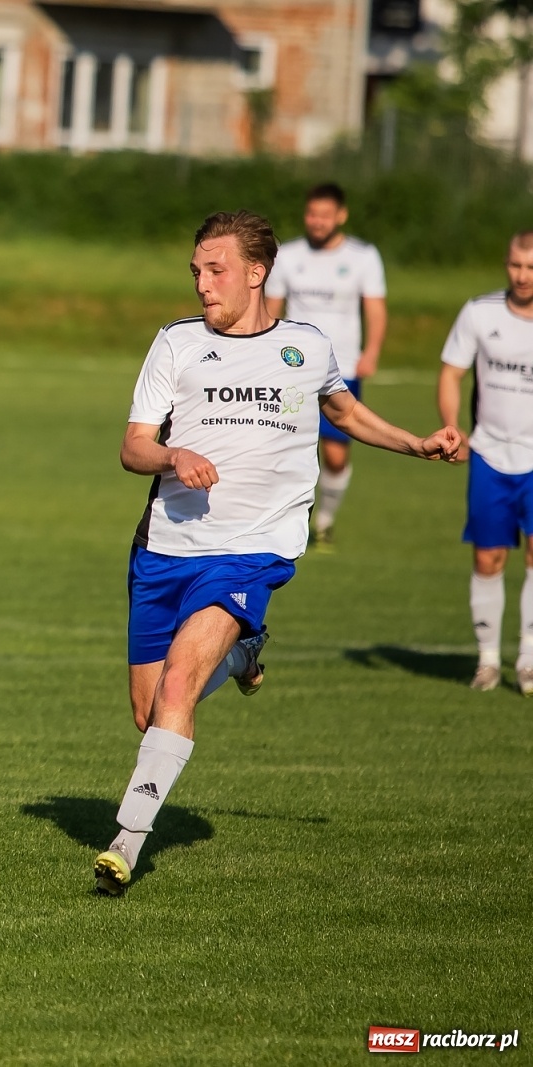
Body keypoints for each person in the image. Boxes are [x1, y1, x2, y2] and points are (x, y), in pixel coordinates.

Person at [95, 210, 461, 897]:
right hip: (166, 545)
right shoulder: (175, 343)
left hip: (251, 549)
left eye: (217, 269)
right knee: (151, 714)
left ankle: (124, 844)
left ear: (257, 272)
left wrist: (417, 443)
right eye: (197, 270)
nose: (203, 283)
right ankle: (241, 655)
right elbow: (133, 446)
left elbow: (345, 413)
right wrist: (172, 452)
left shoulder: (305, 346)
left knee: (179, 685)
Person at [264, 183, 388, 548]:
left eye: (324, 215)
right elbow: (272, 306)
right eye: (311, 214)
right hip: (293, 368)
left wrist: (373, 351)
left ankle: (326, 520)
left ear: (341, 216)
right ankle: (282, 523)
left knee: (335, 455)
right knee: (281, 447)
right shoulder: (287, 255)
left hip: (342, 366)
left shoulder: (363, 256)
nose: (317, 222)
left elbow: (375, 307)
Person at [437, 231, 533, 693]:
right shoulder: (480, 312)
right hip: (491, 455)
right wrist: (452, 427)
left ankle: (530, 659)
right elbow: (452, 372)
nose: (522, 275)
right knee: (489, 557)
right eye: (515, 265)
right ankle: (489, 661)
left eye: (531, 267)